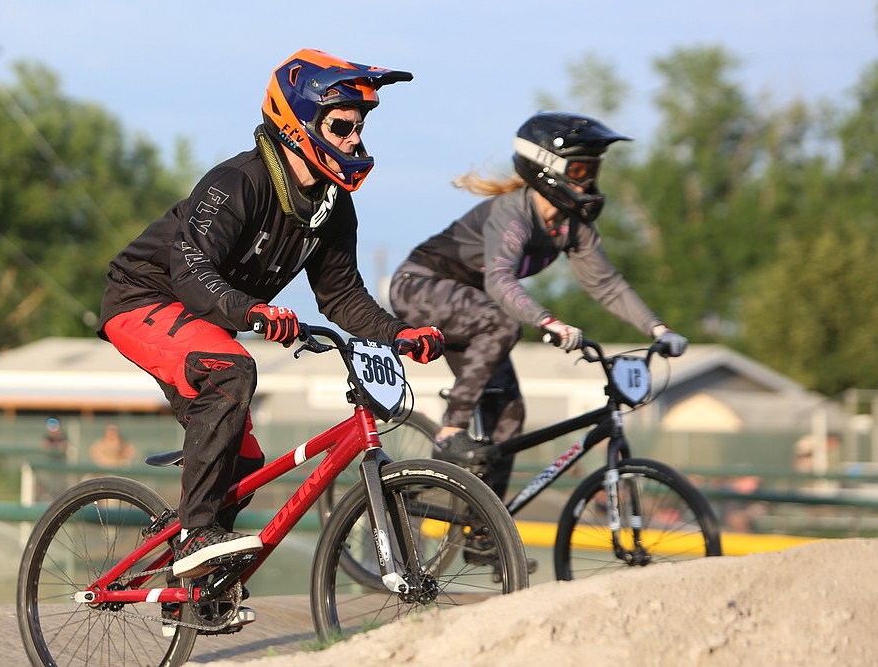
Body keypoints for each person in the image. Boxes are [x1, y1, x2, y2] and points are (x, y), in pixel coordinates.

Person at [97, 48, 445, 582]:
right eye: (342, 127)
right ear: (298, 123)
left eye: (360, 127)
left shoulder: (333, 204)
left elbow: (341, 297)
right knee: (232, 369)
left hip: (208, 318)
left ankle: (195, 589)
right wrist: (253, 311)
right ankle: (197, 534)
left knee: (246, 461)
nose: (356, 140)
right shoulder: (235, 182)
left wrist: (401, 333)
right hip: (143, 299)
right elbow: (192, 273)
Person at [389, 111, 688, 499]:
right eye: (580, 171)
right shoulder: (514, 212)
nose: (590, 182)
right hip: (421, 286)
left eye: (593, 171)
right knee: (502, 324)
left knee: (510, 415)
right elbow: (499, 279)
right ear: (547, 168)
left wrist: (658, 330)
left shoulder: (572, 227)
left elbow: (607, 285)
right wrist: (547, 321)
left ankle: (482, 530)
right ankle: (451, 430)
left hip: (474, 309)